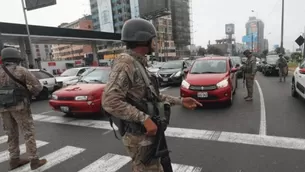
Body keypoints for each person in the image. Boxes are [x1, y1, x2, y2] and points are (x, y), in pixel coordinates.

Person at [102, 18, 202, 172]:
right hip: (139, 135)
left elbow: (154, 97)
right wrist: (144, 119)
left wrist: (181, 101)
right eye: (153, 39)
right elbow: (109, 101)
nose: (155, 43)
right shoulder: (126, 63)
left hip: (147, 133)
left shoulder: (137, 63)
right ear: (143, 39)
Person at [0, 47, 47, 170]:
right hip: (20, 107)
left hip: (3, 109)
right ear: (16, 58)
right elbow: (38, 86)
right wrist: (29, 92)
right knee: (28, 133)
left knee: (11, 134)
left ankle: (14, 160)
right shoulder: (21, 70)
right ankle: (34, 160)